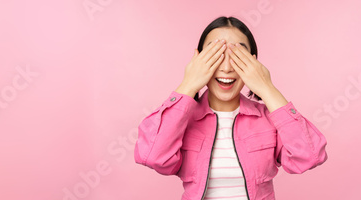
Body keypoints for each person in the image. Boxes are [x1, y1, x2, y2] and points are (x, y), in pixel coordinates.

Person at [133, 16, 328, 200]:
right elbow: (152, 156)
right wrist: (188, 84)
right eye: (215, 55)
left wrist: (267, 88)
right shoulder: (182, 120)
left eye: (237, 56)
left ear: (252, 63)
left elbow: (309, 157)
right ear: (199, 61)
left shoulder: (268, 119)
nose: (226, 67)